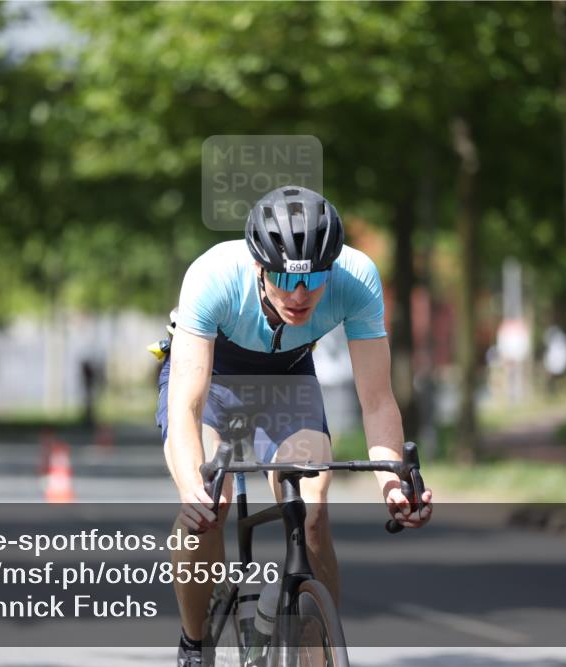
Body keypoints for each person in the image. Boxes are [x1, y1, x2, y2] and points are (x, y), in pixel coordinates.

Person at [157, 185, 433, 666]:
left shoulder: (357, 276)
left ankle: (315, 645)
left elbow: (376, 398)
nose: (301, 295)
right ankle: (194, 643)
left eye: (314, 278)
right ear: (260, 266)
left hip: (287, 378)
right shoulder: (213, 275)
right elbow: (187, 406)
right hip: (213, 380)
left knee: (313, 508)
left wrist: (392, 482)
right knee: (210, 508)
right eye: (284, 278)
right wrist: (191, 489)